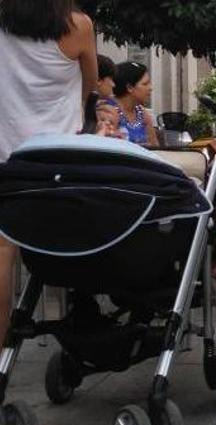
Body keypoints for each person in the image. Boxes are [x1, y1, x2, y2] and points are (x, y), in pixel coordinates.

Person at [0, 0, 97, 349]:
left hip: (6, 159)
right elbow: (90, 85)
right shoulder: (79, 25)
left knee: (3, 251)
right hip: (57, 162)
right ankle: (79, 318)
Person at [111, 61, 158, 146]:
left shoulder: (142, 113)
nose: (150, 88)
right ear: (129, 87)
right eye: (145, 84)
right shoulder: (109, 111)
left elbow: (155, 147)